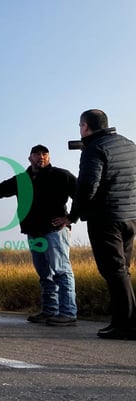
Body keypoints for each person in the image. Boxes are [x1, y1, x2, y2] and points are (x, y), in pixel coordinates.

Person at [0, 145, 78, 326]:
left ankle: (68, 313)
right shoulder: (22, 180)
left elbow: (81, 195)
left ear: (48, 157)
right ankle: (50, 311)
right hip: (34, 232)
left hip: (55, 232)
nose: (41, 156)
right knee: (45, 275)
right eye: (37, 154)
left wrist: (70, 218)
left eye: (44, 154)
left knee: (61, 271)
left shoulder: (61, 175)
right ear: (30, 157)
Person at [54, 109, 136, 340]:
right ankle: (122, 321)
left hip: (106, 219)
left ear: (85, 126)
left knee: (114, 271)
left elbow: (88, 186)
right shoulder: (129, 144)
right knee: (122, 271)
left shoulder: (94, 148)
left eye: (80, 126)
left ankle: (127, 326)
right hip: (130, 217)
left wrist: (73, 216)